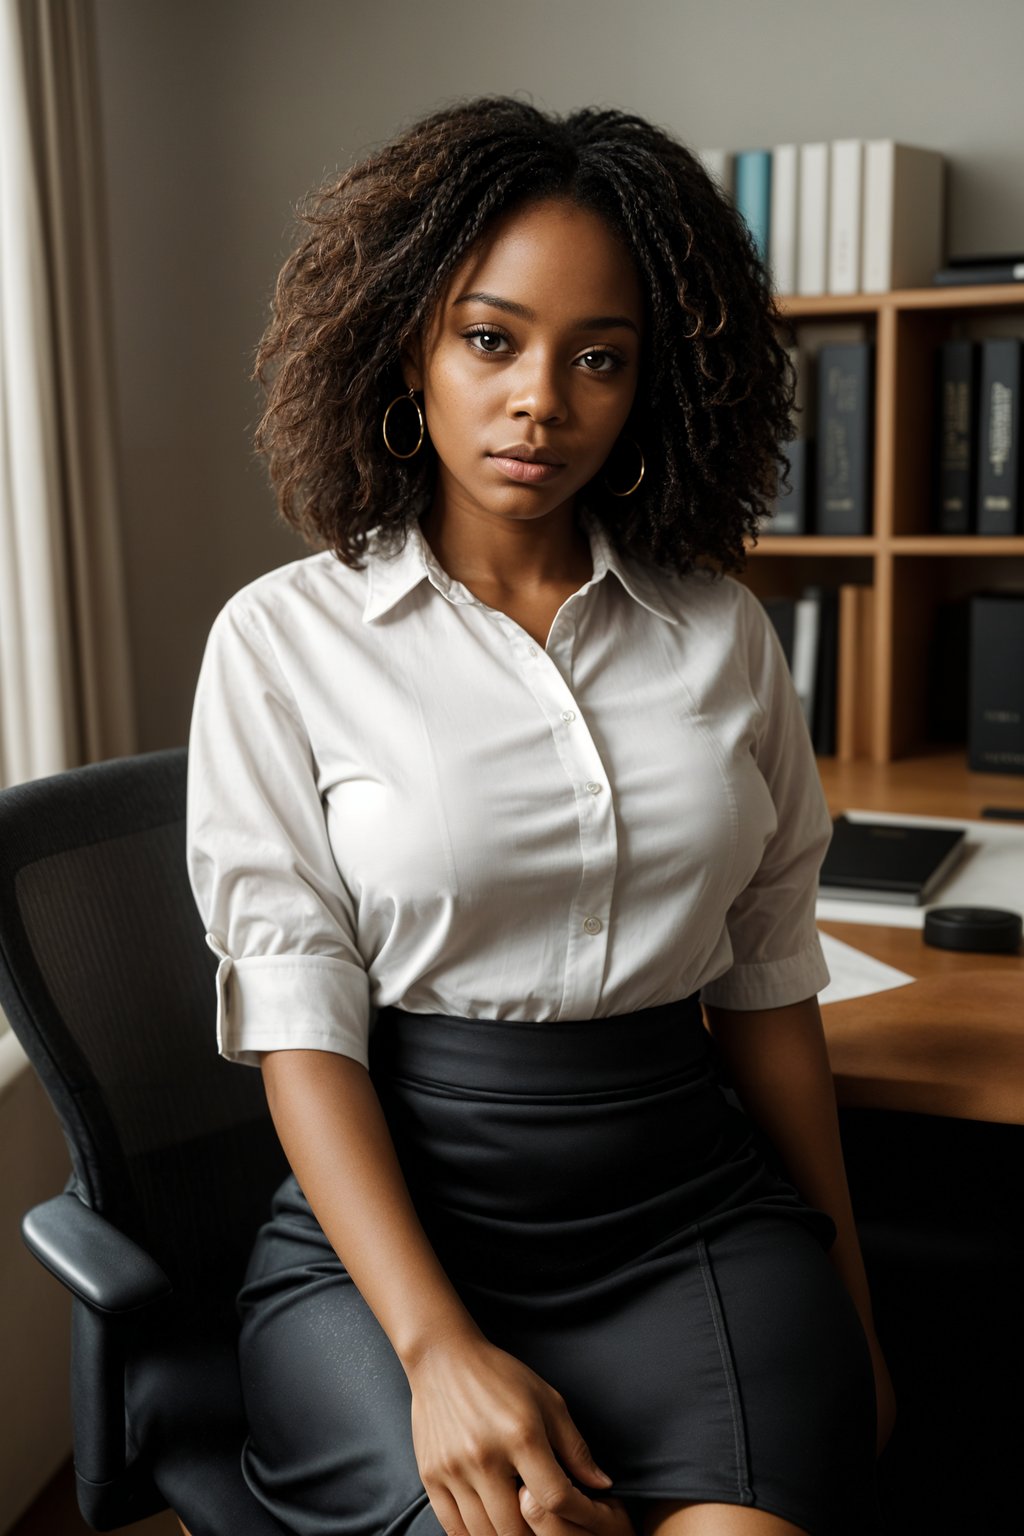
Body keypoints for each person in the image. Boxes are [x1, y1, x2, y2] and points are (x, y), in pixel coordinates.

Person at [186, 96, 896, 1536]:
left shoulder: (719, 637)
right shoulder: (283, 641)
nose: (541, 403)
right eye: (492, 339)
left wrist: (849, 1301)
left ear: (655, 386)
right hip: (392, 1249)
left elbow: (767, 990)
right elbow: (299, 1028)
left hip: (687, 1223)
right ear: (408, 344)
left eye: (600, 359)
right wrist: (437, 1352)